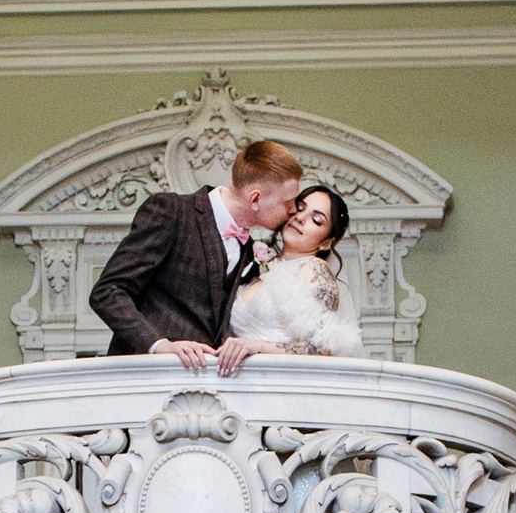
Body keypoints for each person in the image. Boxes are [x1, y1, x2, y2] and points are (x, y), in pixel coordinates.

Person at [89, 137, 302, 374]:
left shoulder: (249, 247)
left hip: (207, 389)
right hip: (146, 377)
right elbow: (107, 292)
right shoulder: (171, 212)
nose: (293, 210)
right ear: (255, 198)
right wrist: (159, 345)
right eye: (288, 202)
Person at [230, 184, 363, 357]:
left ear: (326, 243)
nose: (300, 218)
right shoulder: (261, 266)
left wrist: (258, 347)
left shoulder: (315, 268)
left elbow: (322, 348)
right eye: (300, 208)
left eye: (317, 220)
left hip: (282, 379)